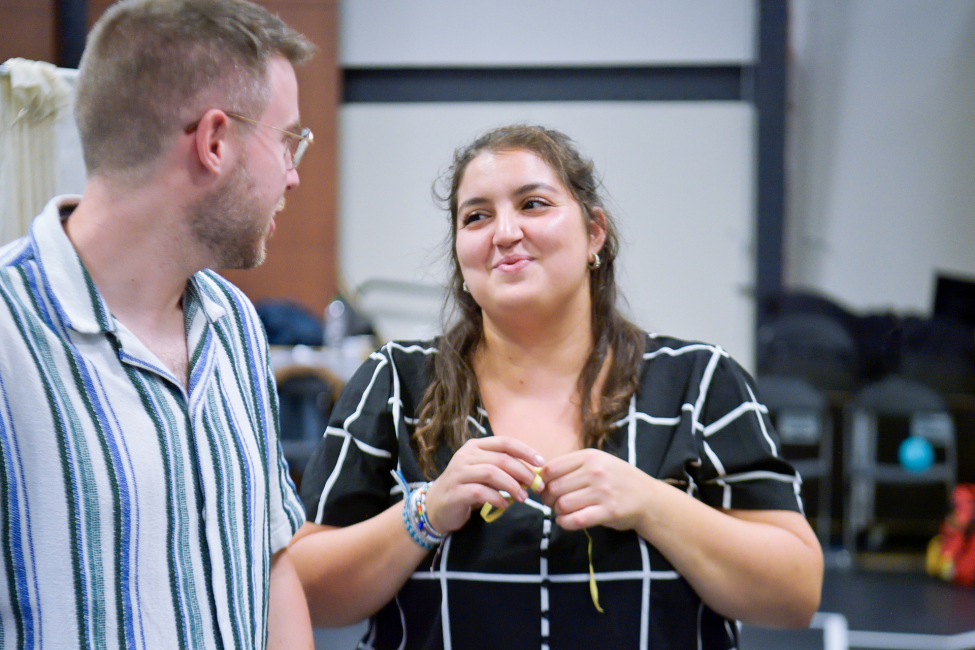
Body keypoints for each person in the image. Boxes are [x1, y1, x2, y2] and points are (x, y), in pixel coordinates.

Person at [291, 125, 823, 649]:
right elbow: (306, 592)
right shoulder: (394, 384)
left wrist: (652, 505)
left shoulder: (699, 382)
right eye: (476, 216)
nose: (503, 232)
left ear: (594, 232)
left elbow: (795, 593)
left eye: (533, 204)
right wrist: (424, 514)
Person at [0, 1, 317, 648]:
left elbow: (273, 558)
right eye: (287, 141)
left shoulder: (235, 325)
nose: (293, 175)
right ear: (215, 141)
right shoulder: (9, 334)